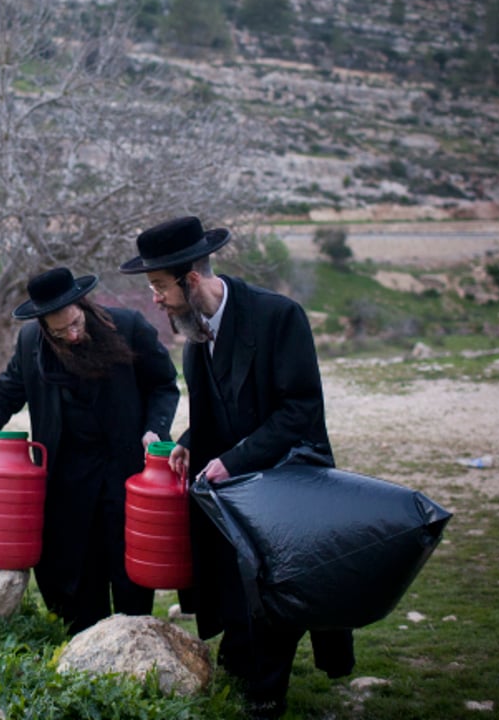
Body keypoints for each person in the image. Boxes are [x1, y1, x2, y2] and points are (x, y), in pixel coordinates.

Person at [120, 216, 354, 719]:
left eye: (161, 288)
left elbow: (299, 411)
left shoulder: (278, 316)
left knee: (276, 586)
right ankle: (241, 657)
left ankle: (266, 695)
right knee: (232, 577)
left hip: (291, 478)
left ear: (193, 280)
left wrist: (233, 459)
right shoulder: (194, 340)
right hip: (234, 484)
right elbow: (215, 414)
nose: (156, 299)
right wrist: (189, 442)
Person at [0, 266, 180, 634]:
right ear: (44, 324)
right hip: (64, 480)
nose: (73, 334)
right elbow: (4, 393)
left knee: (128, 575)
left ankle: (137, 645)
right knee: (73, 576)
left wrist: (154, 429)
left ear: (83, 305)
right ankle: (82, 656)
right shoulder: (32, 341)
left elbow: (164, 385)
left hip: (123, 474)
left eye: (76, 323)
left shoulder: (128, 327)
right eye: (61, 331)